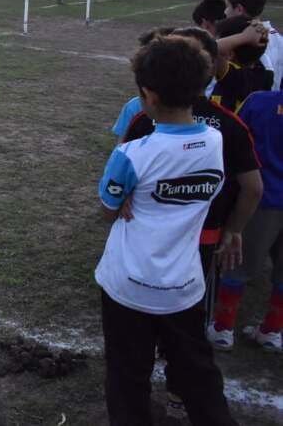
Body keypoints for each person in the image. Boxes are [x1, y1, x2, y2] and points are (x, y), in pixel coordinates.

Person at [122, 27, 262, 420]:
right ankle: (180, 392)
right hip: (202, 245)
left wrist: (122, 201)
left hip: (145, 248)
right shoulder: (228, 126)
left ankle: (142, 385)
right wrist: (234, 230)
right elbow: (252, 187)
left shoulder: (142, 122)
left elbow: (119, 180)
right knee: (188, 324)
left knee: (137, 321)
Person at [96, 34, 235, 425]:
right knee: (199, 374)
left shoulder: (132, 153)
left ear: (149, 95)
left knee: (127, 374)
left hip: (128, 286)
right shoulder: (215, 140)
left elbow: (109, 208)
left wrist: (130, 194)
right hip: (185, 287)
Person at [210, 88, 283, 353]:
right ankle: (272, 330)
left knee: (236, 263)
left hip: (263, 199)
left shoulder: (259, 101)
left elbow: (233, 136)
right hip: (267, 196)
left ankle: (223, 328)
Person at [222, 0, 283, 90]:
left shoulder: (237, 40)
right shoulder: (279, 40)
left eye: (227, 6)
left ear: (239, 9)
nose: (225, 12)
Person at [210, 15, 273, 112]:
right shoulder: (265, 70)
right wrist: (258, 31)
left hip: (224, 126)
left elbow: (207, 49)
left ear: (230, 54)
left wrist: (244, 37)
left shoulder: (235, 76)